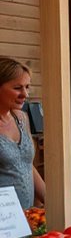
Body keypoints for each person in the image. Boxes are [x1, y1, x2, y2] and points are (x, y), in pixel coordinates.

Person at [0, 58, 44, 209]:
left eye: (27, 87)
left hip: (27, 216)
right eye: (17, 88)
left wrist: (52, 201)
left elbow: (27, 165)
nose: (24, 94)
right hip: (4, 220)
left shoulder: (21, 118)